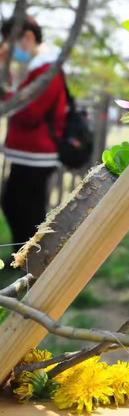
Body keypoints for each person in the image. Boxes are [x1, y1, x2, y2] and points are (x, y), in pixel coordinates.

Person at [0, 15, 66, 253]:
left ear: (27, 37)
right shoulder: (37, 68)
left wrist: (7, 99)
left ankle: (32, 257)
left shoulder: (48, 69)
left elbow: (30, 112)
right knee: (16, 204)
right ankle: (25, 256)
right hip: (28, 153)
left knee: (25, 208)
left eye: (10, 42)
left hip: (38, 153)